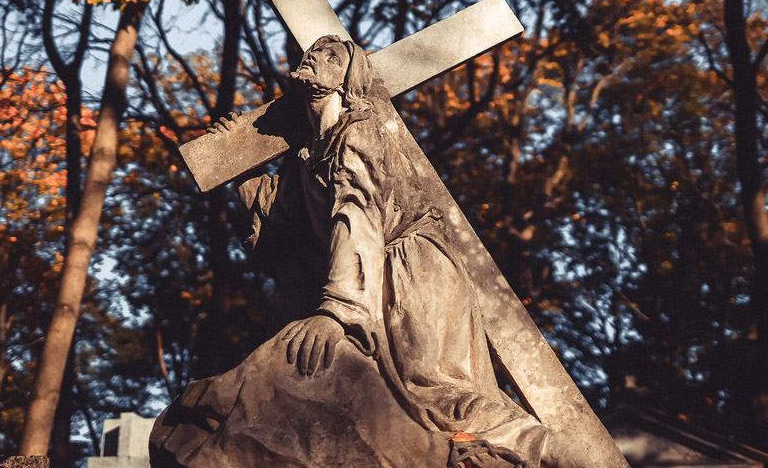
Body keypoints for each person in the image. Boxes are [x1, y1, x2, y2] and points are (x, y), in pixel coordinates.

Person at [150, 35, 557, 468]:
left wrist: (338, 312)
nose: (314, 57)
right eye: (313, 53)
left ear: (348, 82)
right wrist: (238, 164)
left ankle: (552, 452)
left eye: (331, 57)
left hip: (413, 269)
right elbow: (280, 234)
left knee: (434, 391)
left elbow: (356, 212)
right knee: (396, 394)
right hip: (371, 272)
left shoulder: (359, 130)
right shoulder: (307, 155)